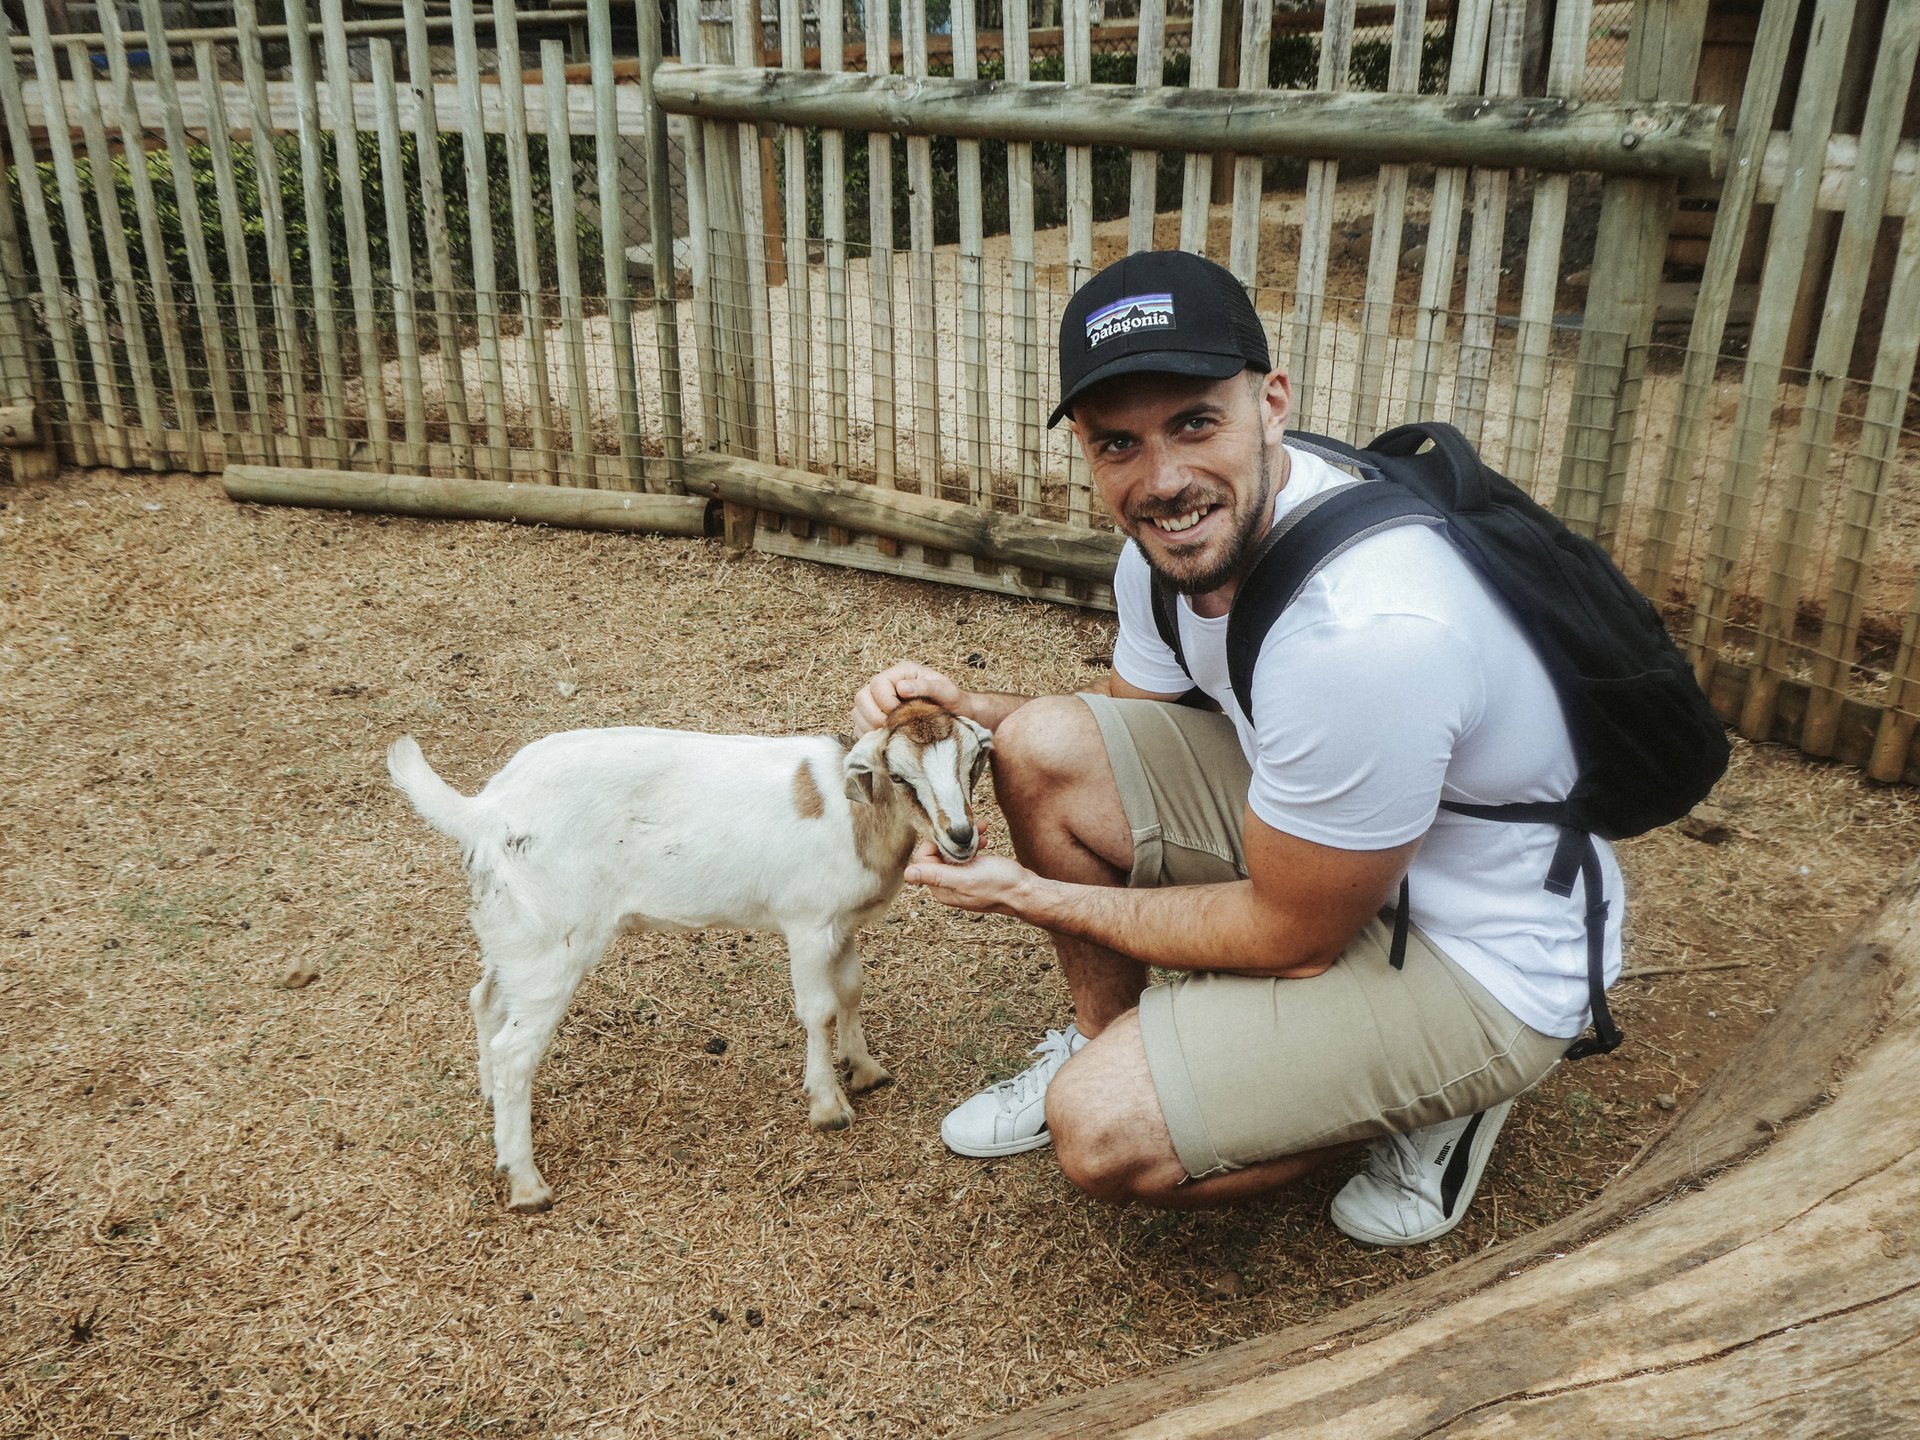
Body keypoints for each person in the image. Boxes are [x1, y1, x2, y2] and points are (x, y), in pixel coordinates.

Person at [850, 250, 1623, 1245]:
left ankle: (1445, 1095)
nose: (1163, 480)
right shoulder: (1167, 550)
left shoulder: (1363, 633)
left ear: (1272, 401)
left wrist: (1024, 894)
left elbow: (1286, 940)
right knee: (1038, 743)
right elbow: (1132, 731)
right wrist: (971, 712)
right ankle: (1106, 1033)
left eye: (1195, 423)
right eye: (1118, 442)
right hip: (1345, 856)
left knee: (1102, 1127)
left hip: (1483, 946)